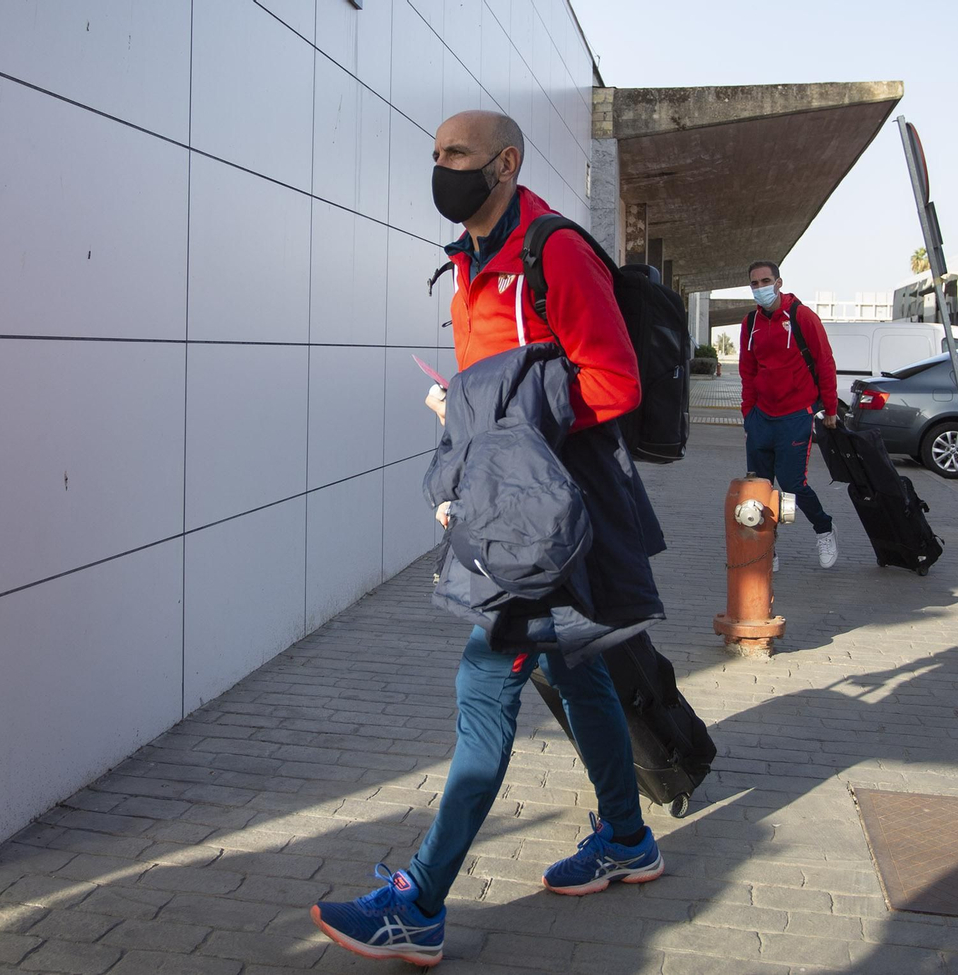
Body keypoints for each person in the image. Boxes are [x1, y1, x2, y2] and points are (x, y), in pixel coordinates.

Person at [309, 110, 665, 967]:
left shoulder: (553, 252)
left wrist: (493, 423)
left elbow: (614, 382)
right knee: (579, 676)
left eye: (457, 155)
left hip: (544, 524)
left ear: (505, 163)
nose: (442, 168)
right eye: (435, 155)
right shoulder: (469, 262)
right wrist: (464, 456)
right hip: (508, 510)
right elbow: (495, 393)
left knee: (484, 689)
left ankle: (419, 905)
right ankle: (627, 838)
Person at [739, 261, 839, 570]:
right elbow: (747, 370)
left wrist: (831, 409)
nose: (760, 287)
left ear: (779, 282)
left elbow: (824, 362)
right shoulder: (750, 323)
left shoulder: (801, 316)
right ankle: (769, 547)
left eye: (765, 281)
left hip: (796, 414)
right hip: (761, 418)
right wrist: (748, 415)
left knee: (793, 484)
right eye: (754, 283)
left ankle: (824, 528)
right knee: (759, 487)